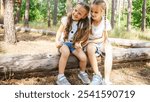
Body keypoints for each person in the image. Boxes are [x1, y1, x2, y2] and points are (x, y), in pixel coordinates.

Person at [55, 2, 90, 85]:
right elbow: (59, 32)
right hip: (64, 43)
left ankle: (82, 73)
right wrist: (56, 41)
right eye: (75, 10)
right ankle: (60, 77)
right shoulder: (66, 20)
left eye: (79, 13)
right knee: (66, 52)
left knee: (83, 58)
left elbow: (85, 37)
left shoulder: (82, 24)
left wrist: (79, 43)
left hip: (74, 44)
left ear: (84, 16)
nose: (76, 13)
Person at [86, 0, 113, 85]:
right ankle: (97, 75)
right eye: (92, 11)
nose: (93, 14)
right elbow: (86, 38)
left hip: (101, 42)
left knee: (109, 49)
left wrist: (92, 41)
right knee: (90, 48)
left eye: (96, 12)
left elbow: (104, 38)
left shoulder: (105, 22)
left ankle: (106, 79)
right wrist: (89, 42)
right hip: (90, 43)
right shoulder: (88, 21)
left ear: (102, 12)